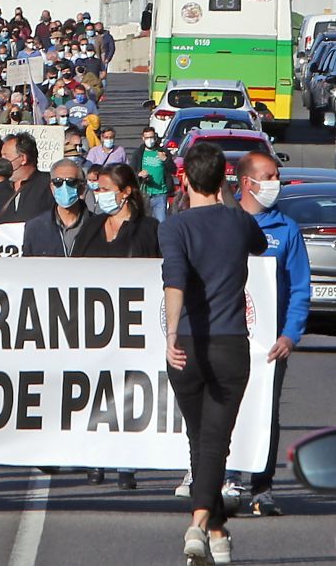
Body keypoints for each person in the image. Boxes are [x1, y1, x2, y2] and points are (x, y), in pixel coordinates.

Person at [160, 142, 267, 566]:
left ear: (184, 180)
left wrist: (170, 332)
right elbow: (258, 242)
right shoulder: (238, 222)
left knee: (201, 439)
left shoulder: (174, 227)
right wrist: (227, 201)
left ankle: (208, 529)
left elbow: (175, 281)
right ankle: (207, 526)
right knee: (213, 442)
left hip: (188, 341)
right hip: (230, 345)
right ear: (223, 180)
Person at [232, 152, 310, 517]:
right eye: (269, 175)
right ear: (247, 182)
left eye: (277, 175)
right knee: (224, 412)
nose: (276, 181)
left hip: (269, 346)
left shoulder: (286, 229)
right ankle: (223, 479)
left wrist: (290, 335)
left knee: (266, 414)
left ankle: (262, 487)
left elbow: (299, 288)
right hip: (225, 340)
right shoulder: (223, 220)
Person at [73, 163, 160, 491]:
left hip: (133, 327)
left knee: (128, 394)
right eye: (97, 189)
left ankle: (127, 464)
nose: (100, 195)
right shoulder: (93, 226)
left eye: (107, 189)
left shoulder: (149, 229)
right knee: (95, 394)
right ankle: (96, 458)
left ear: (126, 193)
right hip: (94, 326)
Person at [22, 158, 90, 257]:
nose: (64, 187)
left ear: (82, 187)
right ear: (52, 187)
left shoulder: (97, 226)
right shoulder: (34, 227)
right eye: (58, 182)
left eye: (71, 181)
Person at [0, 133, 53, 223]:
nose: (1, 161)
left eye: (6, 156)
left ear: (23, 159)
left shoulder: (50, 186)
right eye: (1, 156)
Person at [134, 127, 173, 223]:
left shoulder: (162, 152)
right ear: (143, 138)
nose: (149, 140)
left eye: (151, 137)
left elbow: (173, 169)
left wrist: (165, 160)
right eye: (147, 138)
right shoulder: (139, 153)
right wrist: (139, 174)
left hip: (160, 194)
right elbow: (131, 171)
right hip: (145, 194)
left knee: (161, 223)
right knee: (144, 223)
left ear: (155, 138)